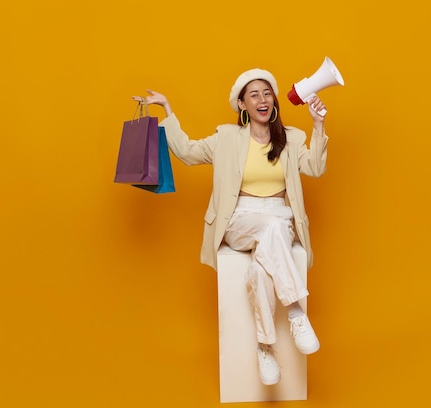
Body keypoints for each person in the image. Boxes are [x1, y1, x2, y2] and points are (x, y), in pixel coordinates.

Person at [132, 68, 328, 386]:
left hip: (278, 218)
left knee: (262, 268)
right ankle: (296, 312)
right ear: (242, 104)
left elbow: (316, 168)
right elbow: (186, 152)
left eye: (267, 93)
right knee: (272, 230)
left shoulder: (292, 138)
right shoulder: (226, 137)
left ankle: (264, 347)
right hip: (240, 218)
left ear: (274, 101)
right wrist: (168, 110)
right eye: (254, 95)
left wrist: (318, 125)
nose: (262, 99)